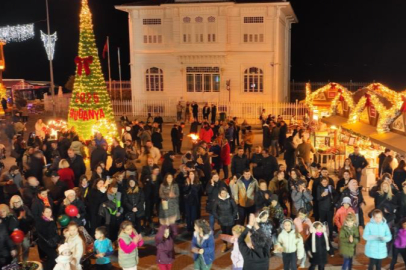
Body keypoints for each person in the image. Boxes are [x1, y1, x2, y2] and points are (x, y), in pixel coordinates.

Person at [9, 195, 34, 262]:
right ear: (12, 203)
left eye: (18, 201)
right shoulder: (10, 211)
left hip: (25, 233)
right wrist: (19, 218)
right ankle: (17, 264)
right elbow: (11, 224)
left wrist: (24, 217)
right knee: (16, 250)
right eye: (15, 202)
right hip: (15, 234)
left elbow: (31, 218)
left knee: (26, 249)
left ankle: (24, 262)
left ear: (21, 201)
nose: (17, 203)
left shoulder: (25, 208)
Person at [213, 187, 237, 252]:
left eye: (225, 193)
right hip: (222, 219)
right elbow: (214, 211)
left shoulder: (230, 200)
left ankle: (234, 244)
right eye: (222, 193)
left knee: (231, 231)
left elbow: (235, 208)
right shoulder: (217, 201)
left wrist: (233, 216)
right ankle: (225, 244)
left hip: (230, 218)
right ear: (220, 194)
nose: (223, 194)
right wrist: (218, 217)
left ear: (227, 193)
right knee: (224, 232)